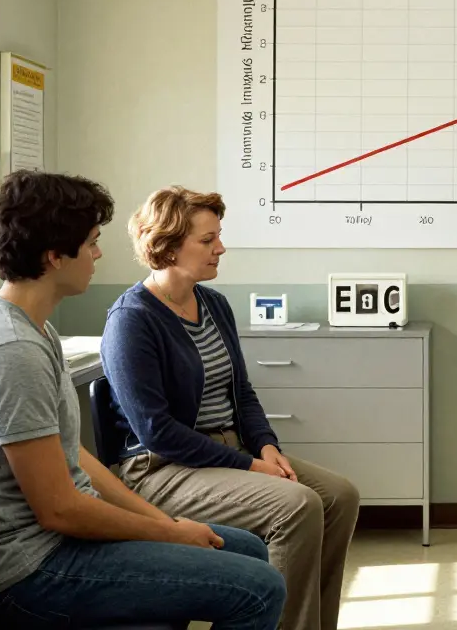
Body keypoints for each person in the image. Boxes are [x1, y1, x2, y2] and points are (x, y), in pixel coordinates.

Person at [0, 170, 286, 629]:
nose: (99, 253)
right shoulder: (10, 350)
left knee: (250, 549)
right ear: (56, 255)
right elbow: (59, 509)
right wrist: (168, 531)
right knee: (260, 589)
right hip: (34, 572)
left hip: (61, 545)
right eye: (92, 242)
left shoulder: (34, 329)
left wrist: (164, 524)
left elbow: (70, 455)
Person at [99, 185, 361, 630]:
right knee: (296, 505)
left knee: (339, 496)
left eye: (218, 236)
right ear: (166, 245)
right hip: (161, 468)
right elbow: (156, 430)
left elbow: (242, 392)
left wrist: (266, 446)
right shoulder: (131, 319)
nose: (221, 247)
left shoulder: (214, 304)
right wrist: (246, 463)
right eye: (207, 240)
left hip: (228, 451)